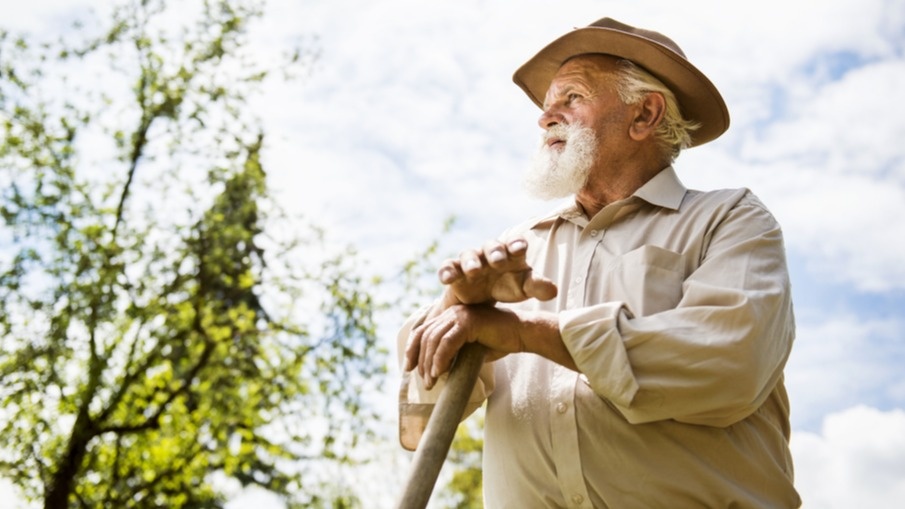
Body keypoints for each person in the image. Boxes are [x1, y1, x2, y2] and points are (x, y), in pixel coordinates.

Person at [398, 17, 800, 508]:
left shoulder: (728, 219)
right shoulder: (516, 249)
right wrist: (459, 310)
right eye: (547, 107)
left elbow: (729, 363)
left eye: (572, 98)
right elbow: (418, 423)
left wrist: (525, 333)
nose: (546, 118)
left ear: (644, 115)